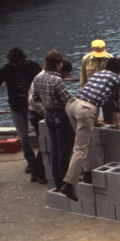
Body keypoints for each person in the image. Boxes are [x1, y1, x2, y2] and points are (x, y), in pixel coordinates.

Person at [60, 58, 120, 201]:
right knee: (80, 148)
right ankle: (68, 184)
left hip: (72, 105)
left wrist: (95, 120)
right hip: (85, 109)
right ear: (119, 71)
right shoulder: (117, 79)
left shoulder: (98, 74)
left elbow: (92, 94)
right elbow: (116, 104)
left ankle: (88, 173)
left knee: (88, 141)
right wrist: (117, 125)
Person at [0, 47, 42, 174]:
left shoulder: (33, 66)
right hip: (16, 107)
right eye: (12, 62)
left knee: (40, 133)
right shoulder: (7, 69)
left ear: (23, 59)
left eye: (16, 62)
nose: (14, 65)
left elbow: (42, 79)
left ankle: (42, 160)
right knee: (23, 136)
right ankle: (31, 162)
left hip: (33, 106)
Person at [29, 53, 74, 187]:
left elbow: (34, 99)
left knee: (54, 149)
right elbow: (67, 100)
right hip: (60, 115)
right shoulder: (57, 80)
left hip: (48, 115)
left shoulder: (39, 77)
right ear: (57, 64)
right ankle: (66, 183)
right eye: (60, 63)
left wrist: (46, 108)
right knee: (64, 150)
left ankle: (57, 183)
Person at [80, 40, 115, 124]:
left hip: (107, 93)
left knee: (109, 116)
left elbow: (114, 77)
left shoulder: (111, 58)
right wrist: (83, 93)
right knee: (92, 116)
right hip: (91, 94)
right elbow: (83, 77)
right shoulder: (86, 59)